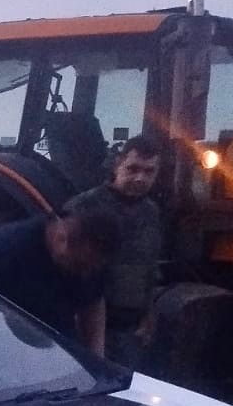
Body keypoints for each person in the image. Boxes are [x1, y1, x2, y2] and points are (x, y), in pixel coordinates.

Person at [63, 134, 165, 367]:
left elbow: (150, 267)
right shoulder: (84, 207)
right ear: (118, 165)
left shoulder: (152, 213)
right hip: (88, 327)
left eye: (149, 172)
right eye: (133, 169)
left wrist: (149, 313)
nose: (140, 178)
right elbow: (66, 270)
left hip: (130, 330)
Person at [0, 208, 121, 355]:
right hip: (0, 346)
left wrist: (95, 358)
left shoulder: (90, 254)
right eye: (80, 265)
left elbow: (93, 301)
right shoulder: (0, 247)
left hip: (60, 351)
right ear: (61, 238)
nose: (85, 272)